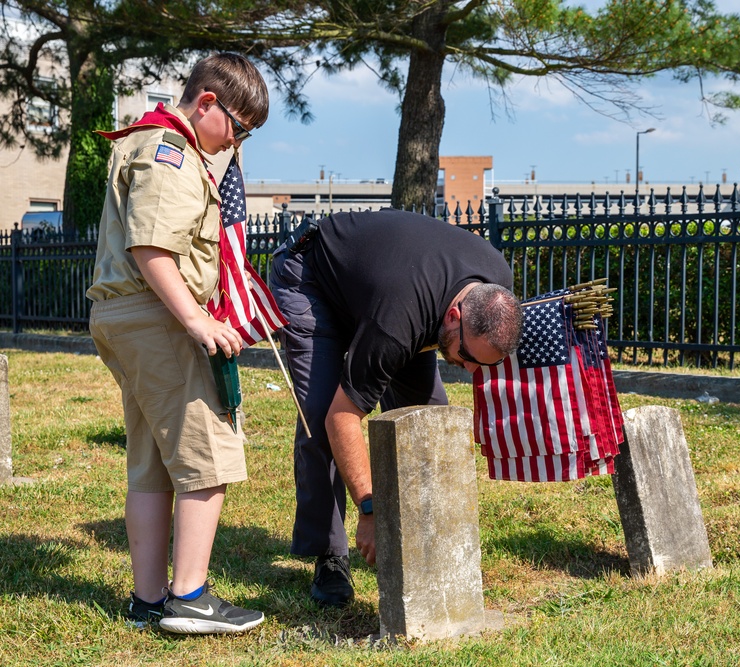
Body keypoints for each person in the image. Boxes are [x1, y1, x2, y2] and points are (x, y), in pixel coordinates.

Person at [87, 53, 269, 634]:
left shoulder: (148, 143)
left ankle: (147, 600)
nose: (238, 144)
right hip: (158, 318)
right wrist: (196, 321)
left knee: (152, 465)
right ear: (208, 103)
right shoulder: (170, 153)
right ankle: (189, 597)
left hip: (127, 316)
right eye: (239, 129)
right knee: (206, 458)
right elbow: (152, 248)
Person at [269, 208, 523, 607]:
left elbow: (446, 343)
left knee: (428, 419)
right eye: (468, 355)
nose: (471, 369)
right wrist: (370, 508)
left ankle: (426, 538)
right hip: (311, 280)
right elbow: (343, 417)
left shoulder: (495, 286)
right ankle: (331, 555)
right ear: (454, 317)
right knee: (321, 415)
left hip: (391, 292)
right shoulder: (397, 320)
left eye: (484, 364)